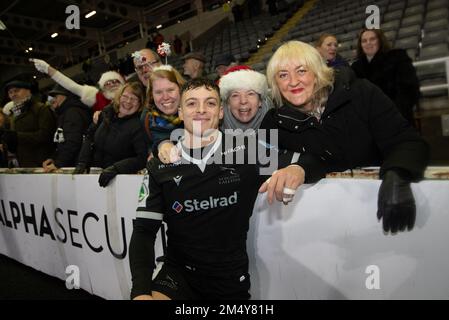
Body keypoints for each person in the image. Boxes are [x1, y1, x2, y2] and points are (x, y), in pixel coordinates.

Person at [129, 78, 305, 300]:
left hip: (228, 280)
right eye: (192, 103)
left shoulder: (249, 149)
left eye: (210, 103)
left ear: (220, 112)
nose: (201, 110)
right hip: (177, 275)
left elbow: (313, 158)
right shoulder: (160, 164)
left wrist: (298, 169)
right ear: (181, 112)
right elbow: (144, 231)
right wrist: (140, 292)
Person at [262, 40, 429, 233]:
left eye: (301, 71)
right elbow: (254, 161)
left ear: (317, 72)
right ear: (275, 84)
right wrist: (298, 166)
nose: (293, 81)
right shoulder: (274, 121)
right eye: (283, 75)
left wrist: (398, 173)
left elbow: (408, 141)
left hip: (376, 216)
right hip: (325, 228)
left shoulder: (361, 93)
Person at [74, 82, 148, 187]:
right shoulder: (106, 114)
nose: (128, 101)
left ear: (140, 103)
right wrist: (82, 162)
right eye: (125, 96)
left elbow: (142, 158)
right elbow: (89, 136)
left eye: (134, 99)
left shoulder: (139, 125)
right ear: (119, 96)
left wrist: (116, 168)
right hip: (93, 177)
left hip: (119, 181)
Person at [351, 28, 420, 125]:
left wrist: (393, 114)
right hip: (369, 123)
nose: (368, 43)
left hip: (397, 118)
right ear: (360, 45)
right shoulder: (356, 67)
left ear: (380, 40)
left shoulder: (398, 57)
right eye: (364, 41)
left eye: (372, 39)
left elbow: (409, 89)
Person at [30, 58, 125, 112]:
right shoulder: (97, 97)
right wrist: (48, 69)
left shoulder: (132, 92)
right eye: (107, 83)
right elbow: (71, 86)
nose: (112, 85)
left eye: (115, 81)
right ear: (102, 87)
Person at [2, 75, 56, 167]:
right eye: (10, 92)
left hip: (41, 163)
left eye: (16, 91)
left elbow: (46, 135)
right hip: (21, 163)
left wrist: (17, 136)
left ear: (28, 91)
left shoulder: (41, 109)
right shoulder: (11, 114)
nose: (13, 94)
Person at [42, 84, 92, 172]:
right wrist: (54, 158)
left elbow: (73, 142)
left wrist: (58, 163)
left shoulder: (72, 112)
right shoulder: (67, 112)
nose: (54, 98)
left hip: (75, 166)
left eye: (56, 95)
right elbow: (63, 141)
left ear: (66, 96)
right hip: (73, 164)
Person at [142, 65, 185, 155]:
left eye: (170, 90)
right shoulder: (147, 119)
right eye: (158, 92)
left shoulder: (197, 114)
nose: (165, 97)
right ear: (151, 95)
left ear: (181, 89)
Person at [219, 65, 273, 130]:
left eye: (250, 94)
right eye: (235, 95)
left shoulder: (276, 124)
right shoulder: (215, 128)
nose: (243, 101)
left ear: (260, 101)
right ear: (228, 103)